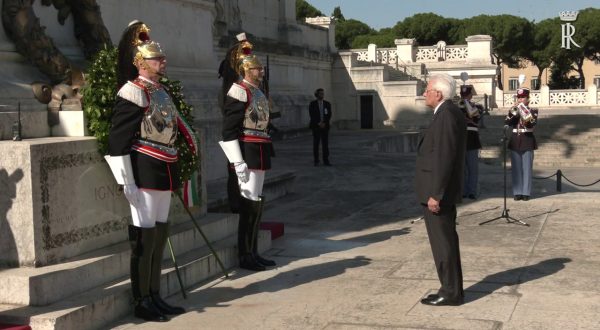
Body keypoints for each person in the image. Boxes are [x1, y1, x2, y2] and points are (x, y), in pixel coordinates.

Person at [105, 21, 190, 322]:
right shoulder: (132, 91)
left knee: (159, 232)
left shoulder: (160, 91)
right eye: (157, 59)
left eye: (161, 58)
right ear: (141, 62)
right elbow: (118, 140)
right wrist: (126, 180)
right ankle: (141, 300)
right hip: (144, 168)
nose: (163, 62)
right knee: (144, 236)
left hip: (164, 166)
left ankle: (155, 294)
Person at [219, 33, 276, 271]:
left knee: (256, 203)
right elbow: (229, 129)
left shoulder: (258, 92)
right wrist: (237, 161)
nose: (261, 71)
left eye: (261, 68)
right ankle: (245, 254)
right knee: (248, 204)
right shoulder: (239, 91)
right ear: (245, 70)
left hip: (260, 150)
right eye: (257, 68)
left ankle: (253, 251)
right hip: (246, 151)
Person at [415, 73, 466, 306]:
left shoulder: (446, 114)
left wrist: (437, 194)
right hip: (437, 190)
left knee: (443, 243)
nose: (424, 93)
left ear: (438, 93)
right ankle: (451, 288)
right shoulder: (447, 113)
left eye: (427, 89)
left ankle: (451, 292)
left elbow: (445, 157)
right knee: (445, 242)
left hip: (437, 194)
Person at [505, 87, 538, 201]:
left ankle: (526, 192)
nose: (520, 99)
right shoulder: (513, 109)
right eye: (519, 97)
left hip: (527, 140)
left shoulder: (533, 111)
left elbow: (530, 124)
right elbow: (509, 122)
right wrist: (514, 110)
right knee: (516, 169)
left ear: (528, 99)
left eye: (523, 97)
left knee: (527, 168)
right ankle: (517, 191)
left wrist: (523, 110)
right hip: (515, 140)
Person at [458, 85, 483, 199]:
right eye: (463, 95)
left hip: (472, 140)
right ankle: (463, 191)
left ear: (470, 96)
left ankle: (472, 191)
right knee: (462, 169)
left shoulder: (476, 106)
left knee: (473, 169)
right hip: (461, 140)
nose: (465, 97)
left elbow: (475, 116)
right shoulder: (457, 107)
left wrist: (467, 103)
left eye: (466, 95)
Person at [308, 88, 332, 166]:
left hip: (325, 127)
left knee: (325, 144)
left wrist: (324, 123)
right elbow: (312, 115)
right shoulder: (312, 104)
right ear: (317, 95)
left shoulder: (327, 104)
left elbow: (329, 115)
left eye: (323, 93)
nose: (322, 95)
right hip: (316, 126)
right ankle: (316, 160)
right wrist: (319, 123)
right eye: (321, 93)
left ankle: (326, 160)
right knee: (316, 144)